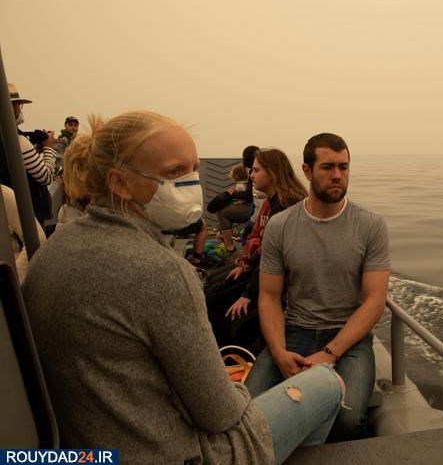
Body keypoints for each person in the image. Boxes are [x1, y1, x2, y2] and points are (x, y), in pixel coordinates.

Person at [22, 112, 345, 464]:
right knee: (326, 382)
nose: (192, 182)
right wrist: (236, 391)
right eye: (175, 172)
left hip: (87, 447)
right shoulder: (161, 270)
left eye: (193, 169)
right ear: (120, 183)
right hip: (173, 453)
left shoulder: (55, 246)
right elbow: (220, 414)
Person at [245, 133, 391, 442]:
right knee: (249, 410)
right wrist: (279, 352)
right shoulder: (281, 226)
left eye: (343, 167)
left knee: (348, 418)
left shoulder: (370, 225)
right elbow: (269, 297)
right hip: (295, 330)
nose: (337, 175)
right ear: (307, 171)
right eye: (327, 167)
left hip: (348, 338)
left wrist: (330, 353)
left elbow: (375, 300)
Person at [206, 148, 307, 348]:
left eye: (256, 170)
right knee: (214, 285)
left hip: (281, 282)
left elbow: (272, 257)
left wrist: (248, 295)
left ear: (273, 172)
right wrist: (244, 264)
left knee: (216, 303)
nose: (251, 175)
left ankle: (226, 355)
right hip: (263, 269)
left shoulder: (285, 206)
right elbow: (262, 246)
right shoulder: (272, 202)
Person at [2, 84, 57, 225]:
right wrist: (48, 148)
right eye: (18, 105)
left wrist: (36, 151)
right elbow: (45, 177)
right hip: (29, 215)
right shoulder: (19, 140)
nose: (20, 109)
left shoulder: (6, 138)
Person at [215, 145, 257, 252]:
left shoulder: (253, 171)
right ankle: (224, 237)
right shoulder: (257, 170)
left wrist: (231, 194)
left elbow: (249, 195)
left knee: (222, 212)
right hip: (254, 204)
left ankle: (229, 247)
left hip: (255, 207)